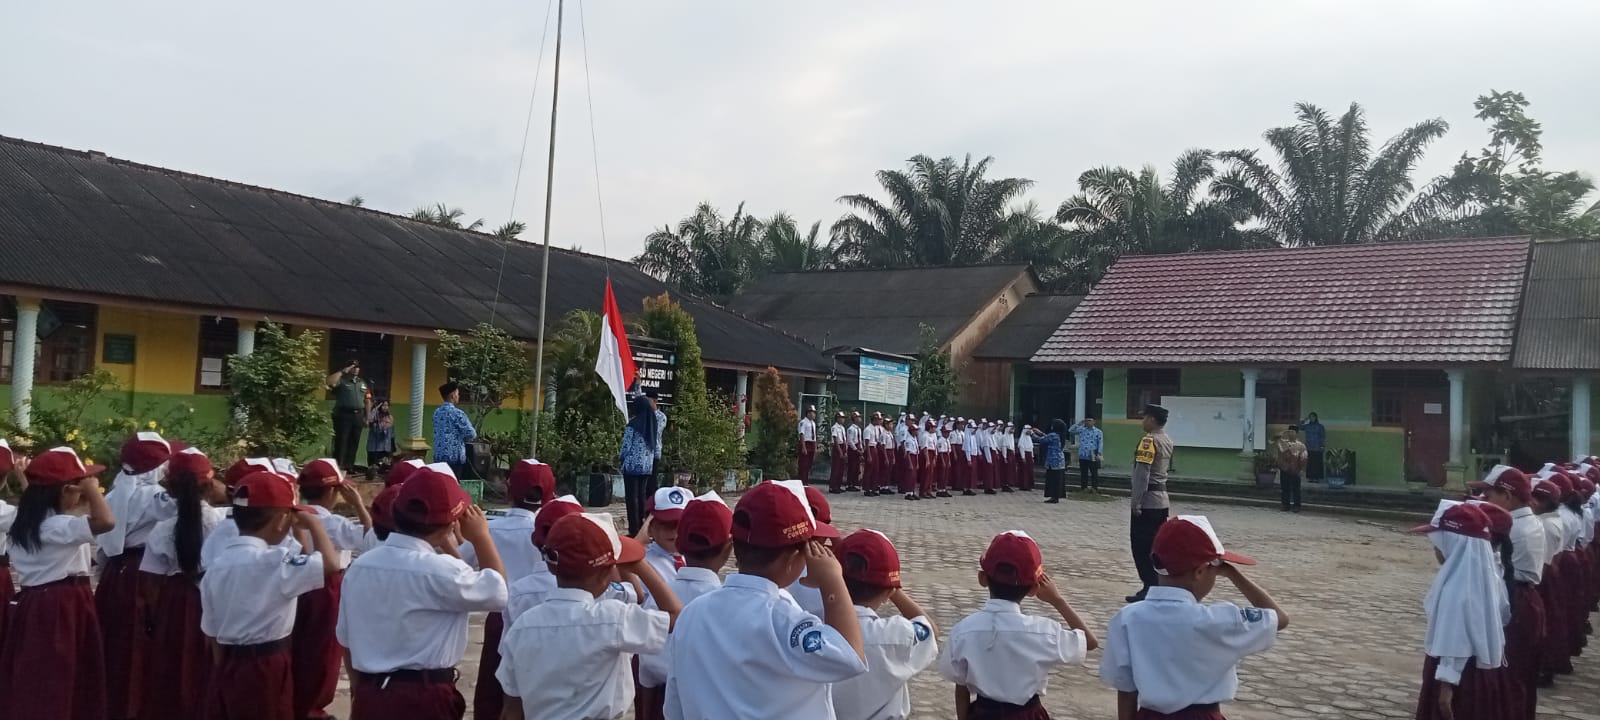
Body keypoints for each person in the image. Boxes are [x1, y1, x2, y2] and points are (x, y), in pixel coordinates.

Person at [663, 480, 867, 719]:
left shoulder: (692, 613)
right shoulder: (783, 620)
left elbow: (674, 705)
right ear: (792, 558)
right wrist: (832, 581)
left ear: (734, 547)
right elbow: (851, 657)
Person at [336, 467, 508, 720]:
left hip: (371, 692)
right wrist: (481, 537)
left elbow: (346, 641)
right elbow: (498, 593)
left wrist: (360, 689)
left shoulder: (360, 566)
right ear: (450, 525)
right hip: (424, 695)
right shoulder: (442, 570)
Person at [1099, 515, 1288, 720]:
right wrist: (1234, 574)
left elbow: (1126, 690)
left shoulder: (1128, 618)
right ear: (1199, 571)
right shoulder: (1219, 620)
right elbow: (1279, 618)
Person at [497, 512, 681, 720]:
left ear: (550, 565)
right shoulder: (613, 618)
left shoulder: (523, 626)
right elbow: (675, 616)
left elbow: (511, 710)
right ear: (606, 573)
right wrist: (640, 566)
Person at [200, 471, 338, 720]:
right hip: (267, 662)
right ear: (281, 520)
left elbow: (212, 635)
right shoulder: (276, 563)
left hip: (229, 663)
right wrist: (314, 525)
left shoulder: (216, 567)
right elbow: (330, 564)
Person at [0, 447, 115, 720]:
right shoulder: (59, 526)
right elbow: (106, 521)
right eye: (77, 487)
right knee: (58, 673)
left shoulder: (27, 521)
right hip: (61, 604)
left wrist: (28, 479)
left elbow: (39, 500)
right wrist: (93, 490)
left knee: (42, 673)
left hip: (40, 601)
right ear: (63, 491)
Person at [939, 530, 1096, 720]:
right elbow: (1089, 642)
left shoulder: (963, 631)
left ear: (982, 579)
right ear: (1033, 589)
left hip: (983, 713)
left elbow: (960, 685)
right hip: (1028, 714)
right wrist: (1058, 600)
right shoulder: (1044, 632)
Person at [137, 446, 226, 720]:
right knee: (211, 666)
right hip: (215, 598)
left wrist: (152, 618)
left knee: (174, 665)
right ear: (210, 485)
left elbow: (150, 583)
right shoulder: (224, 523)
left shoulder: (163, 529)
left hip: (177, 603)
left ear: (171, 488)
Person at [464, 458, 555, 720]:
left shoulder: (490, 529)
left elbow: (458, 561)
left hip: (500, 619)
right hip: (543, 618)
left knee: (493, 694)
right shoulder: (553, 532)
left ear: (507, 489)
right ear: (550, 495)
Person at [98, 431, 174, 720]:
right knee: (140, 648)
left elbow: (105, 548)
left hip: (115, 574)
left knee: (115, 646)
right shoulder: (156, 497)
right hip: (145, 573)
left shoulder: (116, 492)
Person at [1408, 501, 1508, 720]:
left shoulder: (1458, 587)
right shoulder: (1489, 575)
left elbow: (1456, 638)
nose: (1436, 550)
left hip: (1456, 675)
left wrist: (1446, 685)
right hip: (1480, 670)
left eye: (1439, 544)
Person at [637, 492, 732, 720]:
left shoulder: (660, 596)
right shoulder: (727, 603)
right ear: (729, 548)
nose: (671, 531)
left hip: (662, 696)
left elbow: (646, 666)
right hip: (710, 703)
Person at [293, 458, 374, 720]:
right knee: (324, 650)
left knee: (298, 645)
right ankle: (312, 706)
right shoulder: (334, 523)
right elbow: (370, 538)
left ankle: (298, 702)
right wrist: (359, 505)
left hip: (296, 580)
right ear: (332, 492)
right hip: (327, 586)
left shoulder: (293, 514)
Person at [831, 529, 939, 720]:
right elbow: (929, 629)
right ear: (888, 592)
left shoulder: (816, 627)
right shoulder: (896, 633)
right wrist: (895, 590)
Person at [1470, 465, 1546, 719]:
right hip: (1527, 598)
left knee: (1510, 674)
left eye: (1490, 495)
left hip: (1516, 600)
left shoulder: (1514, 528)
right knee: (1521, 674)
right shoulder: (1532, 521)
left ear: (1508, 496)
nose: (1487, 501)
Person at [1128, 404, 1174, 603]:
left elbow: (1142, 474)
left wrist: (1136, 502)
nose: (1143, 421)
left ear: (1153, 419)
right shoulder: (1167, 439)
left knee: (1141, 546)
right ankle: (1157, 585)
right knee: (1156, 546)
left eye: (1145, 417)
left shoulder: (1149, 441)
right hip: (1161, 501)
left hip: (1147, 502)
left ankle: (1149, 586)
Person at [621, 394, 662, 536]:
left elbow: (626, 447)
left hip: (631, 467)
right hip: (647, 467)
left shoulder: (633, 424)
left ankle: (634, 529)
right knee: (642, 496)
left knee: (632, 498)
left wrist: (621, 459)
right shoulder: (653, 424)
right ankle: (643, 527)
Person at [327, 359, 372, 470]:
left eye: (357, 367)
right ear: (348, 368)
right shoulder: (341, 380)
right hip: (343, 414)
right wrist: (342, 371)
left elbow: (367, 400)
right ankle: (339, 465)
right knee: (342, 440)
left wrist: (367, 417)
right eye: (353, 367)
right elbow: (329, 382)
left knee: (354, 441)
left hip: (358, 415)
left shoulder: (362, 383)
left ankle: (349, 466)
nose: (356, 369)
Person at [431, 382, 477, 478]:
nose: (458, 396)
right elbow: (472, 434)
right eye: (458, 394)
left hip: (439, 456)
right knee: (453, 485)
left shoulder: (436, 413)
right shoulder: (457, 413)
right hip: (454, 458)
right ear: (453, 396)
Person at [1031, 421, 1068, 504]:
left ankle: (1053, 496)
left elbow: (1041, 440)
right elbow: (1047, 437)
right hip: (1060, 461)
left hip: (1052, 460)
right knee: (1058, 479)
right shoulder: (1060, 435)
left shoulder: (1053, 435)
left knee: (1052, 479)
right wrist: (1041, 433)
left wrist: (1032, 433)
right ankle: (1056, 496)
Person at [1275, 427, 1308, 513]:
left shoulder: (1301, 445)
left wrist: (1302, 470)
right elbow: (1275, 441)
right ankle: (1285, 505)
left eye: (1293, 432)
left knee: (1296, 489)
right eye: (1289, 432)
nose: (1290, 433)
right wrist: (1282, 433)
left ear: (1297, 433)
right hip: (1285, 468)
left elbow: (1304, 457)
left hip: (1295, 469)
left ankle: (1297, 505)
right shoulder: (1283, 443)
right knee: (1285, 488)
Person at [1069, 417, 1104, 493]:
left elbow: (1100, 443)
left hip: (1092, 454)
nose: (1088, 422)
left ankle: (1094, 488)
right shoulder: (1082, 430)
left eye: (1090, 421)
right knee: (1083, 472)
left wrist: (1099, 453)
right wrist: (1079, 424)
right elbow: (1071, 430)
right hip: (1083, 454)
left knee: (1094, 472)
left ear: (1094, 421)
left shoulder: (1098, 432)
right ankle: (1084, 488)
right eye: (1087, 421)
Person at [367, 399, 397, 476]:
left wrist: (392, 447)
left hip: (386, 447)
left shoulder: (390, 417)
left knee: (385, 467)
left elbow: (392, 433)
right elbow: (370, 420)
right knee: (373, 468)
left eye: (387, 405)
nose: (385, 407)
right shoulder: (375, 418)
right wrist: (376, 408)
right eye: (383, 405)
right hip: (374, 448)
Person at [1300, 413, 1326, 482]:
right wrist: (1304, 420)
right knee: (1310, 463)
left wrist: (1322, 446)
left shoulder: (1320, 427)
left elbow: (1322, 437)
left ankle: (1317, 478)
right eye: (1310, 417)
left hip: (1317, 447)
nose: (1312, 418)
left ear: (1316, 418)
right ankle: (1310, 477)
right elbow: (1299, 427)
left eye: (1313, 417)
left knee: (1317, 463)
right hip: (1309, 447)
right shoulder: (1307, 426)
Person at [830, 412, 849, 494]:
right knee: (836, 468)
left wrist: (845, 451)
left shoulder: (842, 428)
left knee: (841, 468)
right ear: (837, 418)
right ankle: (833, 486)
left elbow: (844, 440)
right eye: (841, 418)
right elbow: (835, 440)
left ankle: (838, 485)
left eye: (843, 418)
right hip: (837, 447)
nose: (843, 419)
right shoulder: (835, 427)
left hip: (843, 446)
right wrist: (840, 451)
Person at [798, 406, 818, 482]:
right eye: (813, 413)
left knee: (809, 464)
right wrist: (803, 447)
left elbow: (814, 436)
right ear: (808, 413)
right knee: (804, 464)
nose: (814, 415)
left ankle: (805, 480)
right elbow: (801, 434)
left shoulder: (813, 423)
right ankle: (802, 481)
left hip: (811, 444)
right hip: (806, 443)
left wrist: (815, 447)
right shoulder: (803, 422)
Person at [1016, 424, 1035, 491]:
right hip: (1024, 456)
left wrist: (1032, 456)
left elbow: (1031, 448)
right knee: (1024, 471)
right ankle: (1023, 485)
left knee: (1030, 471)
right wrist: (1023, 457)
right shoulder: (1022, 439)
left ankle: (1029, 485)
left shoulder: (1029, 438)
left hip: (1029, 456)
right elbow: (1021, 448)